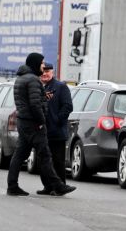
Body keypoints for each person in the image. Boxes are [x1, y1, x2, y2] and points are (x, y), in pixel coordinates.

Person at [6, 52, 75, 197]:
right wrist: (41, 122)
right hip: (33, 124)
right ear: (35, 63)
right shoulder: (32, 80)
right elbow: (35, 104)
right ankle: (57, 185)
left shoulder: (21, 79)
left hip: (23, 122)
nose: (43, 67)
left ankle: (12, 186)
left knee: (20, 154)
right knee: (45, 155)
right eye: (42, 63)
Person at [38, 62, 73, 192]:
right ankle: (47, 186)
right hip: (42, 131)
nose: (45, 74)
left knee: (58, 161)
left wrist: (57, 120)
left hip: (56, 131)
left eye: (47, 71)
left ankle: (60, 187)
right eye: (43, 71)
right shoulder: (39, 87)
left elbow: (68, 106)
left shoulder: (60, 87)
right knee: (43, 161)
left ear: (53, 72)